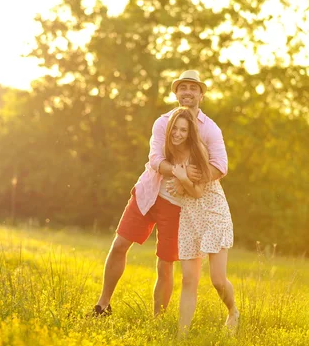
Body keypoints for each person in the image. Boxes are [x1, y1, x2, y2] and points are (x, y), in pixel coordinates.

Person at [90, 70, 230, 318]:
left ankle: (158, 320)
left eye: (193, 87)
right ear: (176, 92)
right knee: (120, 244)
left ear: (201, 94)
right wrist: (180, 173)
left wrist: (186, 180)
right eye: (183, 87)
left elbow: (220, 166)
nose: (187, 92)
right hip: (149, 192)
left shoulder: (210, 129)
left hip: (179, 205)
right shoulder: (163, 122)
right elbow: (155, 160)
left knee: (165, 264)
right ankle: (103, 305)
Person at [163, 107, 238, 337]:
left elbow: (196, 192)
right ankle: (181, 336)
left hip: (213, 212)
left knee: (217, 279)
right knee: (188, 279)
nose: (177, 133)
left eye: (183, 130)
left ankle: (233, 311)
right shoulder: (171, 155)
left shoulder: (199, 152)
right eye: (174, 128)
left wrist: (182, 179)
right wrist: (180, 180)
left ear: (190, 132)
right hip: (190, 216)